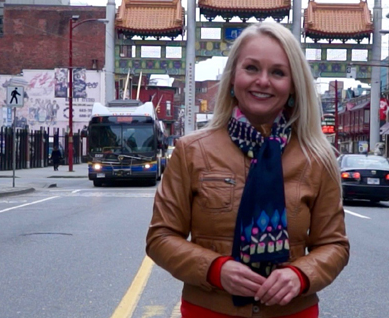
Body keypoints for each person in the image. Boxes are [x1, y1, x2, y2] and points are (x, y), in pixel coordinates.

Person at [146, 21, 349, 317]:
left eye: (278, 72)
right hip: (209, 310)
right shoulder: (191, 151)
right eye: (252, 68)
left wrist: (300, 275)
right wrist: (216, 269)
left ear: (293, 85)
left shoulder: (317, 158)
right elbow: (160, 237)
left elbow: (334, 245)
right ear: (232, 78)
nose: (263, 81)